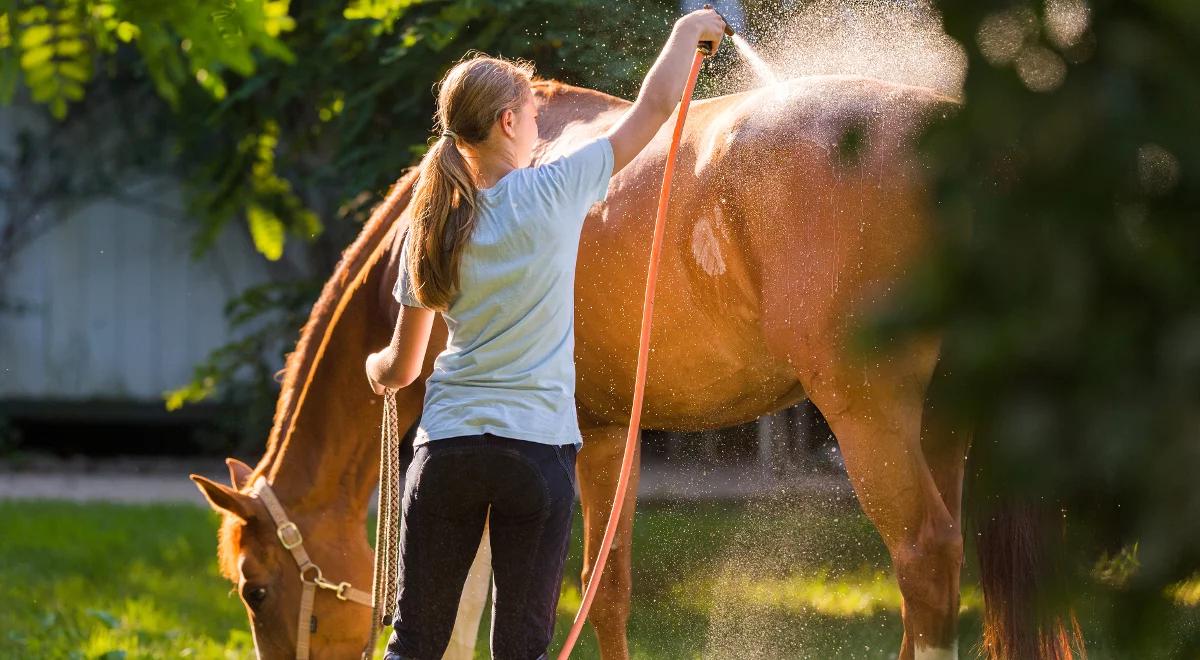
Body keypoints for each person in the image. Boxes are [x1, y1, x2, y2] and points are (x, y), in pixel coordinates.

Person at [364, 8, 727, 659]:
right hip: (536, 454)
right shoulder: (555, 191)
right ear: (507, 122)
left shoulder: (432, 224)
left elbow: (404, 369)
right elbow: (653, 108)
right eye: (532, 114)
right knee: (523, 649)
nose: (538, 125)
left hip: (447, 453)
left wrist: (376, 367)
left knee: (413, 641)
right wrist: (688, 30)